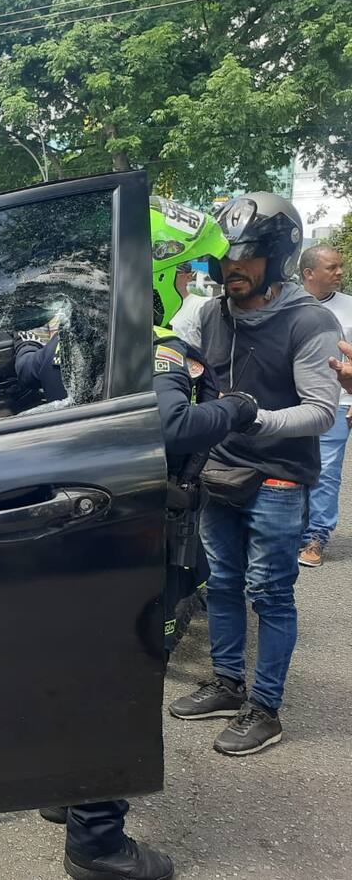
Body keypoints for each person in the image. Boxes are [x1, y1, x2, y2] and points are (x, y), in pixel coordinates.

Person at [17, 199, 258, 880]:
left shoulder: (65, 337)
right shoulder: (155, 347)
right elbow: (170, 429)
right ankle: (98, 844)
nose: (193, 290)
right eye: (188, 277)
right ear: (159, 268)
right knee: (121, 686)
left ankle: (67, 797)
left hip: (75, 533)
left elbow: (37, 388)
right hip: (139, 540)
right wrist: (233, 409)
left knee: (77, 676)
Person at [168, 193, 342, 757]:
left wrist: (251, 416)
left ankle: (265, 709)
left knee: (269, 593)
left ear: (279, 257)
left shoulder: (308, 319)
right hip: (219, 470)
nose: (232, 269)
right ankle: (225, 681)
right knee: (219, 583)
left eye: (247, 258)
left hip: (278, 475)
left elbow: (320, 409)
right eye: (225, 259)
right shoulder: (211, 313)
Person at [298, 245, 351, 567]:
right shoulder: (287, 305)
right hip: (293, 405)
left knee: (326, 472)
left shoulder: (349, 307)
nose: (340, 273)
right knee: (289, 469)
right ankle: (288, 530)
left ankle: (316, 536)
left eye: (341, 267)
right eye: (332, 267)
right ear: (309, 273)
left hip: (336, 403)